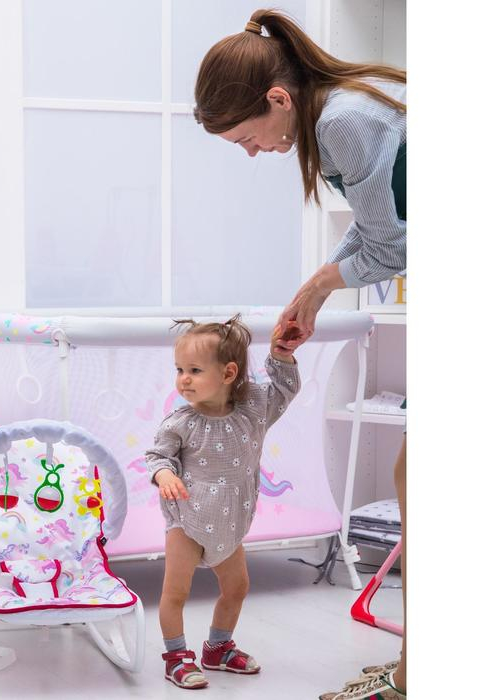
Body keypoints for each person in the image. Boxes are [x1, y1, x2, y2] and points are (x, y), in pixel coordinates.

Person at [193, 9, 406, 699]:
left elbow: (393, 249)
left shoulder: (342, 120)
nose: (252, 153)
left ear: (279, 99)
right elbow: (375, 229)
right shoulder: (342, 107)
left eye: (246, 138)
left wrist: (316, 287)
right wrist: (313, 291)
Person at [145, 315, 300, 689]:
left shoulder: (253, 410)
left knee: (237, 587)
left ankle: (217, 648)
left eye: (194, 370)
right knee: (175, 593)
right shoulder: (180, 422)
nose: (184, 379)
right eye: (180, 370)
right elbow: (157, 456)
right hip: (187, 521)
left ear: (229, 373)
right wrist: (165, 475)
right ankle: (176, 656)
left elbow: (284, 389)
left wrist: (282, 355)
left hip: (229, 523)